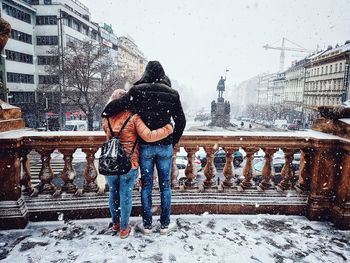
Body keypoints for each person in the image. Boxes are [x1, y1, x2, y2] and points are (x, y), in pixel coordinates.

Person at [102, 61, 186, 235]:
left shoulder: (137, 91)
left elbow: (116, 106)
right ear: (163, 74)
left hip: (146, 147)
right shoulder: (172, 94)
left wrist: (106, 111)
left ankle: (147, 225)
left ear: (146, 73)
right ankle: (164, 224)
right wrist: (173, 140)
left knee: (146, 186)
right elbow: (181, 121)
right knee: (165, 186)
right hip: (165, 146)